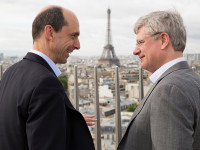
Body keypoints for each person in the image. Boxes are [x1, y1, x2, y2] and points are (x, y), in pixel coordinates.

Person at [0, 5, 95, 150]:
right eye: (73, 36)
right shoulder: (45, 83)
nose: (78, 45)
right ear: (50, 32)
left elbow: (20, 126)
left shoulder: (10, 72)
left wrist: (63, 119)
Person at [118, 10, 200, 150]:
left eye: (140, 42)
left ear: (163, 40)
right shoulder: (193, 79)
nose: (135, 50)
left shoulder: (169, 89)